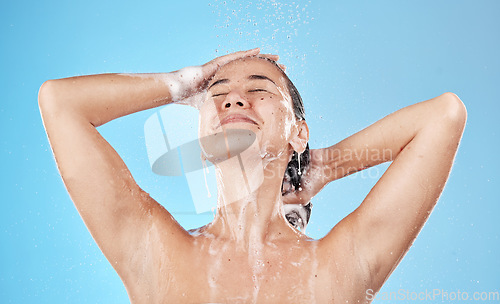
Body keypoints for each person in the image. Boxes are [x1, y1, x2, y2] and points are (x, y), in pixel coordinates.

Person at [38, 48, 466, 303]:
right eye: (217, 94)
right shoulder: (154, 250)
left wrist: (320, 167)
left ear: (299, 132)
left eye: (260, 89)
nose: (234, 99)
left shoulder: (340, 263)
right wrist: (185, 83)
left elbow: (444, 115)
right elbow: (60, 102)